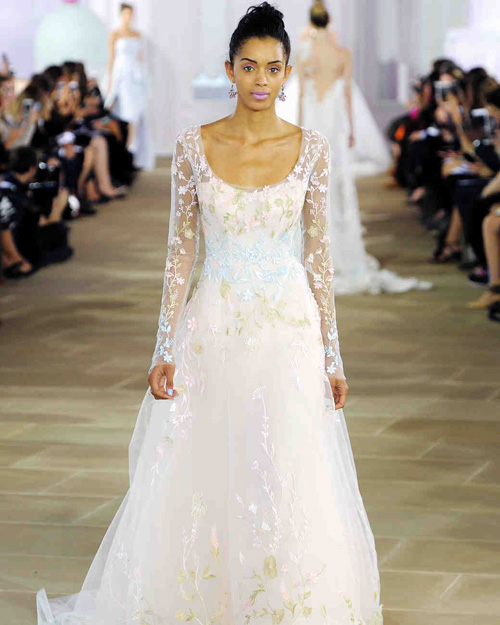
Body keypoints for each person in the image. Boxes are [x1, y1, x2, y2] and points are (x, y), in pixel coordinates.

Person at [36, 4, 384, 624]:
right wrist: (163, 347)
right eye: (249, 66)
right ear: (229, 69)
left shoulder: (311, 149)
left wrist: (333, 355)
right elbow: (181, 252)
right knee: (206, 467)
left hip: (288, 330)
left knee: (286, 463)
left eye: (272, 68)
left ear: (287, 74)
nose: (260, 79)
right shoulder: (193, 147)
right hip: (213, 325)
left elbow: (318, 260)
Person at [292, 0, 431, 295]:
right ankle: (339, 248)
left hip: (314, 124)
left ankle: (313, 249)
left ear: (311, 22)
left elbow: (302, 95)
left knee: (313, 184)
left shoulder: (304, 55)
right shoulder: (343, 54)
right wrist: (352, 130)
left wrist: (300, 131)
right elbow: (346, 95)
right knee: (336, 182)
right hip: (334, 127)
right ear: (329, 21)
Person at [105, 2, 153, 170]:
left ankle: (133, 152)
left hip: (135, 78)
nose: (129, 17)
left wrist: (144, 78)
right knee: (124, 113)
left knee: (135, 115)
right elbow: (111, 58)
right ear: (121, 15)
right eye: (126, 14)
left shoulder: (137, 34)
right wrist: (110, 81)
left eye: (131, 14)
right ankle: (125, 153)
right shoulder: (115, 34)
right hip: (121, 77)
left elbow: (140, 57)